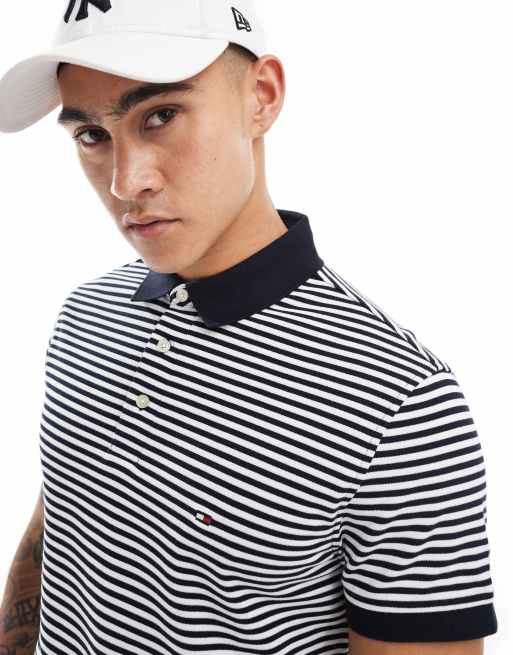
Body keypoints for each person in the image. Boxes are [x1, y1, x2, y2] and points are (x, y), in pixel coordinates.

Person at [0, 1, 499, 654]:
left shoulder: (401, 400)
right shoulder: (86, 316)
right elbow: (60, 528)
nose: (126, 182)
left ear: (261, 96)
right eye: (91, 134)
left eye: (160, 115)